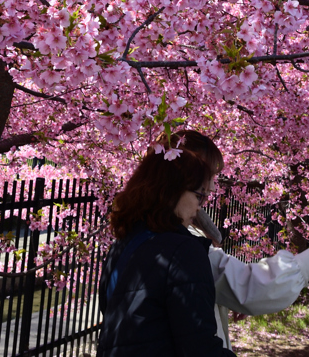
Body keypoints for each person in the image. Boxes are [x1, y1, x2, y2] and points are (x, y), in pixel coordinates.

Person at [174, 130, 309, 349]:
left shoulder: (168, 236)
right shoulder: (181, 247)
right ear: (173, 184)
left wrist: (228, 294)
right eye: (202, 187)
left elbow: (235, 283)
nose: (211, 189)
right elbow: (252, 285)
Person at [97, 139, 235, 356]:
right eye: (199, 196)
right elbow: (200, 347)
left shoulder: (122, 245)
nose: (201, 206)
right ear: (171, 190)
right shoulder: (183, 251)